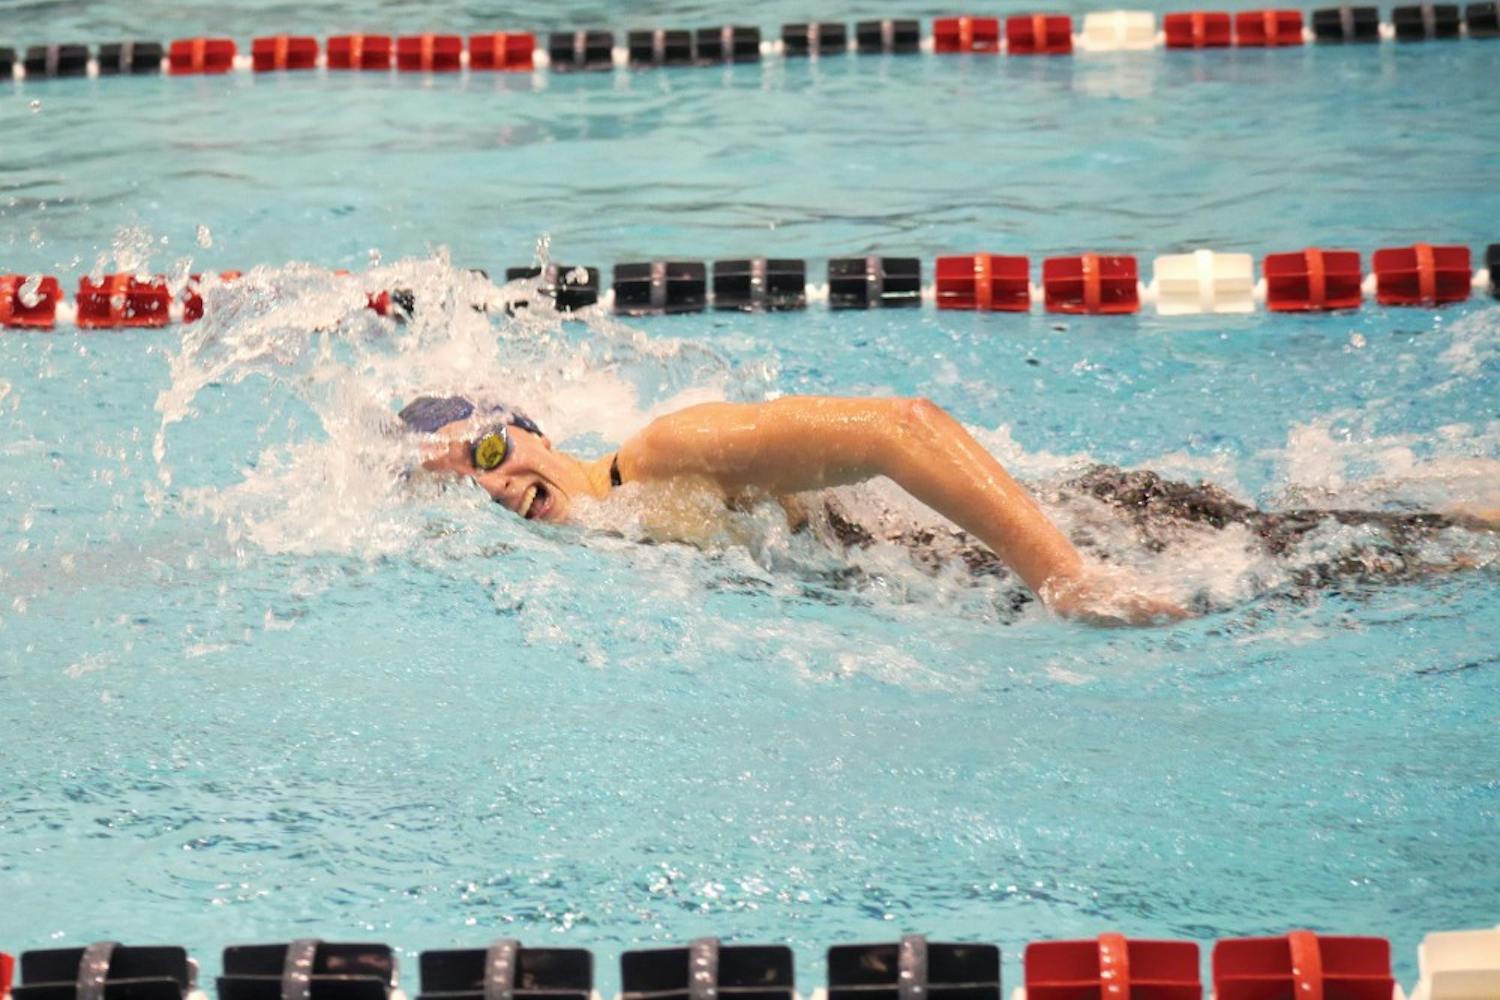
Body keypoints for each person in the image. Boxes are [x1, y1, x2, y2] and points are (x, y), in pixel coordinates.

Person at [397, 394, 1496, 626]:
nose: (494, 482)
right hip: (994, 569)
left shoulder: (660, 456)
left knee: (1409, 556)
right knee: (1369, 539)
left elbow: (900, 428)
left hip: (1077, 540)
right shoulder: (627, 550)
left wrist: (1064, 574)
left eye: (490, 448)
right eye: (465, 482)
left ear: (532, 429)